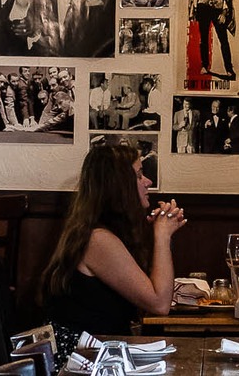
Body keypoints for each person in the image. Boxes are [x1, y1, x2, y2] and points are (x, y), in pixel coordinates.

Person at [40, 144, 187, 369]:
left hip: (99, 352)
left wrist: (156, 233)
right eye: (139, 175)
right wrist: (162, 235)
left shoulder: (99, 231)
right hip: (82, 361)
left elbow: (151, 292)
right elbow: (159, 303)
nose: (147, 181)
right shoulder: (97, 239)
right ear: (119, 186)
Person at [188, 0, 237, 78]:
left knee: (224, 40)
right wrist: (194, 9)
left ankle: (229, 68)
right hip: (204, 10)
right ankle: (204, 66)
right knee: (204, 39)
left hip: (218, 10)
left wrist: (224, 13)